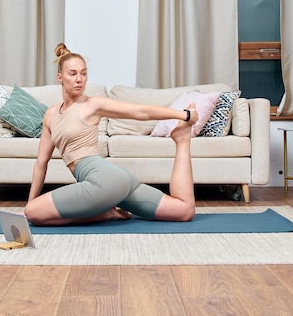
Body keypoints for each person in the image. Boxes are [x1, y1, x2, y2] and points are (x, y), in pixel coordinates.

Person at [24, 43, 199, 226]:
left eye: (84, 73)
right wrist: (30, 201)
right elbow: (41, 162)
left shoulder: (92, 104)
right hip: (111, 182)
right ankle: (182, 140)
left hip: (105, 181)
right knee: (183, 211)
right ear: (60, 77)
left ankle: (106, 214)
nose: (79, 79)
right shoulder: (51, 114)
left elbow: (140, 112)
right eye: (73, 74)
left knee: (34, 213)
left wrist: (183, 114)